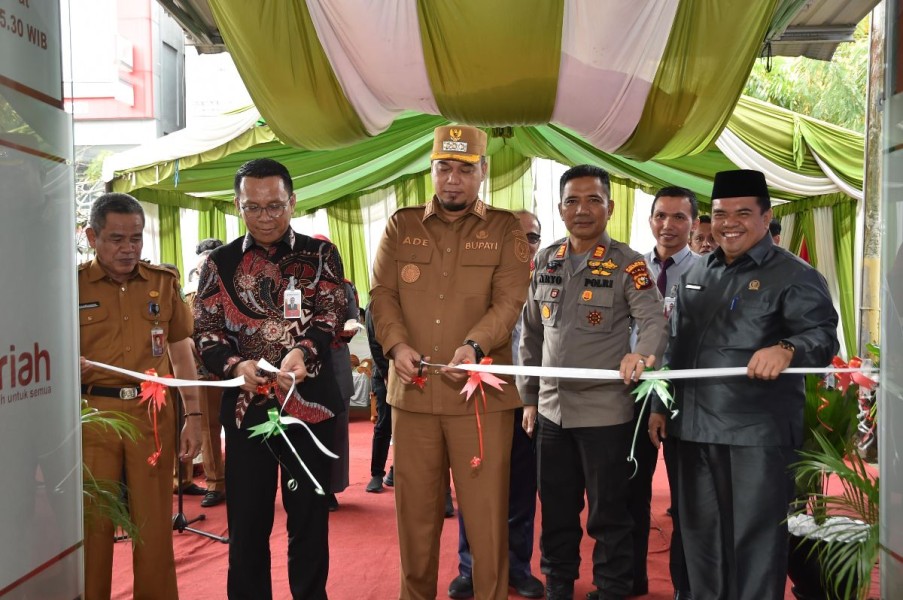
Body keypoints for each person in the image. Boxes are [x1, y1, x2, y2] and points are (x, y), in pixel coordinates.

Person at [648, 169, 839, 600]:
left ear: (766, 216)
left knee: (754, 543)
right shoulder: (699, 272)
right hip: (690, 432)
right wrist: (660, 406)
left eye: (742, 213)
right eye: (719, 214)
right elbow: (674, 346)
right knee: (699, 542)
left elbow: (824, 336)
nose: (729, 222)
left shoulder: (794, 274)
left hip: (756, 437)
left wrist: (788, 348)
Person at [370, 124, 531, 600]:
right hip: (414, 396)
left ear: (483, 171)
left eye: (465, 169)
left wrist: (475, 346)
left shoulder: (505, 229)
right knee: (415, 522)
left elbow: (509, 302)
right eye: (444, 168)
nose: (453, 179)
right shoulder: (402, 225)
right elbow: (381, 295)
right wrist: (396, 346)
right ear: (432, 170)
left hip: (479, 400)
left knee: (485, 522)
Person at [193, 158, 347, 600]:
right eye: (253, 207)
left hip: (308, 409)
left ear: (292, 201)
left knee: (309, 520)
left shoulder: (321, 255)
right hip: (247, 414)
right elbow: (205, 330)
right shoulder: (219, 263)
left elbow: (332, 312)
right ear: (238, 206)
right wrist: (235, 366)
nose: (265, 217)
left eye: (275, 206)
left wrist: (304, 351)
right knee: (247, 524)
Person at [519, 164, 668, 600]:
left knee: (609, 516)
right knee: (558, 512)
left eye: (593, 200)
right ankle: (559, 585)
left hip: (606, 415)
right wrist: (529, 398)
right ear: (561, 208)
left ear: (610, 206)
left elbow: (654, 319)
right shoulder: (547, 259)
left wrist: (642, 354)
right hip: (551, 413)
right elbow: (530, 332)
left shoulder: (629, 263)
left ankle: (613, 589)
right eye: (572, 201)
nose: (582, 210)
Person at [79, 192, 202, 600]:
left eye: (136, 238)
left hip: (152, 413)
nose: (128, 249)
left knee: (152, 522)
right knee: (93, 523)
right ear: (91, 236)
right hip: (93, 416)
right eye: (116, 238)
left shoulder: (162, 283)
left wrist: (194, 417)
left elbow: (182, 352)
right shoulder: (70, 286)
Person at [448, 210, 544, 599]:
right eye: (515, 237)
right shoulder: (473, 280)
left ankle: (517, 567)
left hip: (530, 402)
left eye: (532, 237)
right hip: (481, 398)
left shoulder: (551, 279)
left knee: (521, 491)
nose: (524, 245)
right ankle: (471, 568)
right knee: (475, 487)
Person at [628, 187, 699, 599]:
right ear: (650, 219)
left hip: (684, 403)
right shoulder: (631, 268)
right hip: (630, 398)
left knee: (688, 502)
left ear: (693, 222)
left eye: (678, 218)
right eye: (660, 216)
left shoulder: (706, 273)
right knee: (630, 495)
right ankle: (630, 578)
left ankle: (685, 587)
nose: (667, 226)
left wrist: (663, 400)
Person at [185, 238, 227, 508]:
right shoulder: (190, 295)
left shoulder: (234, 289)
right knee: (209, 428)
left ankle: (238, 478)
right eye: (201, 268)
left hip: (237, 369)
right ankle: (216, 483)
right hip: (204, 371)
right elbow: (186, 331)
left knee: (239, 427)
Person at [364, 299, 392, 493]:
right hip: (383, 373)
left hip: (411, 371)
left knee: (410, 428)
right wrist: (386, 373)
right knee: (384, 424)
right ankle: (376, 474)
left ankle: (397, 471)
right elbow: (374, 343)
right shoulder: (375, 303)